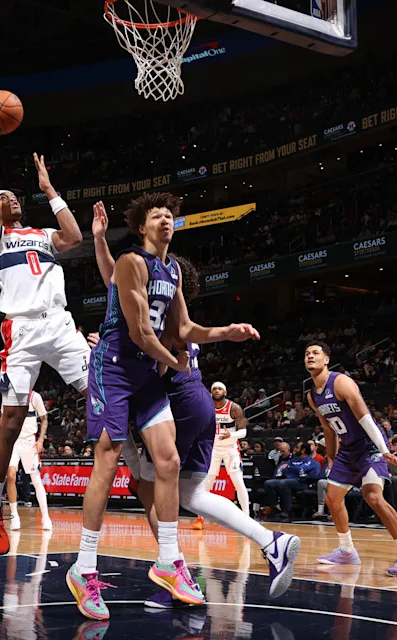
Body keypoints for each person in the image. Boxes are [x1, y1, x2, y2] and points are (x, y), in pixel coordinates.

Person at [67, 192, 259, 620]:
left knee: (168, 461)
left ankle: (169, 561)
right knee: (109, 457)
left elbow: (185, 327)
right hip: (115, 368)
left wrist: (227, 331)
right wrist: (179, 363)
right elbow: (139, 333)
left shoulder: (171, 269)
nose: (166, 220)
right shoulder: (131, 262)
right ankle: (83, 568)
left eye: (170, 215)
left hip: (146, 375)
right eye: (157, 215)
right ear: (141, 226)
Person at [88, 223, 298, 605]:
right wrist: (100, 241)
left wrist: (119, 344)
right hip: (197, 403)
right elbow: (114, 283)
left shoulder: (164, 320)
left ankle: (172, 574)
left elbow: (165, 364)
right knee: (191, 494)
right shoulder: (160, 308)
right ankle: (271, 542)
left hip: (180, 404)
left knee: (151, 486)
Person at [0, 111, 88, 555]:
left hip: (58, 323)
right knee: (11, 422)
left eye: (15, 196)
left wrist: (49, 190)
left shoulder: (41, 233)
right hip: (19, 330)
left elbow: (75, 236)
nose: (10, 198)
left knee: (100, 390)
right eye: (6, 197)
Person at [305, 342, 397, 577]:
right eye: (307, 354)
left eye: (315, 353)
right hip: (347, 451)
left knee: (373, 497)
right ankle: (347, 551)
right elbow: (328, 430)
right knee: (332, 498)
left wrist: (384, 449)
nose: (310, 356)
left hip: (369, 446)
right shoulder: (312, 396)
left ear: (326, 359)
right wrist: (330, 458)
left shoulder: (341, 382)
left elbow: (366, 418)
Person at [5, 389, 52, 531]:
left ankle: (45, 517)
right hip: (13, 441)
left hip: (29, 441)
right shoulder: (8, 397)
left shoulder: (34, 396)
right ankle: (15, 516)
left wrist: (41, 440)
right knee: (11, 475)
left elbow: (44, 419)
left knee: (36, 480)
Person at [203, 382, 249, 515]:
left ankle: (246, 516)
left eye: (220, 389)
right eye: (214, 389)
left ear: (225, 392)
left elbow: (243, 432)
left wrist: (231, 434)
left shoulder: (234, 408)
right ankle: (200, 517)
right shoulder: (207, 407)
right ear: (211, 392)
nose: (217, 391)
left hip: (230, 449)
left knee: (238, 482)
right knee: (207, 483)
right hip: (213, 449)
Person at [262, 442, 320, 521]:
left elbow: (300, 470)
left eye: (297, 447)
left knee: (284, 483)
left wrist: (293, 468)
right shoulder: (294, 460)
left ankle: (287, 510)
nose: (295, 449)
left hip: (302, 482)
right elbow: (285, 470)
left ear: (303, 450)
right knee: (268, 483)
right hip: (289, 480)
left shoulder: (310, 461)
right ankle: (275, 506)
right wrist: (294, 469)